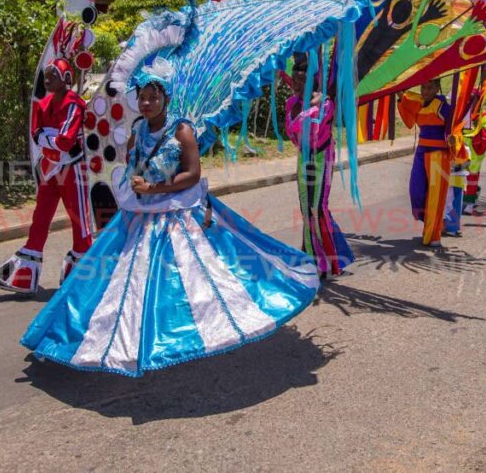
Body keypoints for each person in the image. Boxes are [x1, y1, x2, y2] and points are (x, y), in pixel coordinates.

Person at [20, 59, 319, 376]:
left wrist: (154, 187)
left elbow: (192, 174)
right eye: (142, 97)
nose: (147, 103)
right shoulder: (137, 130)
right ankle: (103, 339)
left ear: (166, 97)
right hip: (140, 216)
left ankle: (183, 336)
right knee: (119, 284)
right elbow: (133, 165)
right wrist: (135, 183)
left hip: (177, 215)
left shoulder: (181, 129)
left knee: (192, 280)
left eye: (153, 96)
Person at [0, 58, 94, 295]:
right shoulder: (44, 103)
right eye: (46, 76)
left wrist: (49, 139)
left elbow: (66, 140)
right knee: (40, 218)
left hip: (72, 170)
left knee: (80, 222)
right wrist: (51, 139)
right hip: (49, 169)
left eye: (53, 76)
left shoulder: (74, 104)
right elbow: (36, 133)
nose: (47, 80)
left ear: (66, 79)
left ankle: (85, 277)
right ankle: (24, 276)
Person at [285, 55, 354, 277]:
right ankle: (311, 258)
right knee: (306, 209)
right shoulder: (291, 103)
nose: (296, 84)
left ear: (312, 82)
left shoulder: (325, 104)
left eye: (301, 80)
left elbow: (310, 119)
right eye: (294, 80)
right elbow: (293, 129)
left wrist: (312, 104)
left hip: (323, 155)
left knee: (318, 208)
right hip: (304, 157)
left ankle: (328, 263)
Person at [398, 79, 452, 248]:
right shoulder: (419, 102)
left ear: (437, 88)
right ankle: (428, 221)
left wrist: (453, 139)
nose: (425, 91)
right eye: (423, 87)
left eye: (429, 88)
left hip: (438, 153)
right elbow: (405, 98)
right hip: (421, 151)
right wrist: (396, 88)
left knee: (435, 196)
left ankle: (433, 234)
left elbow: (455, 125)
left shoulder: (443, 106)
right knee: (416, 190)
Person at [461, 107, 486, 214]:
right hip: (462, 148)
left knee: (472, 177)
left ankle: (469, 205)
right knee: (462, 176)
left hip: (476, 151)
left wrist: (477, 123)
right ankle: (473, 194)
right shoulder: (462, 112)